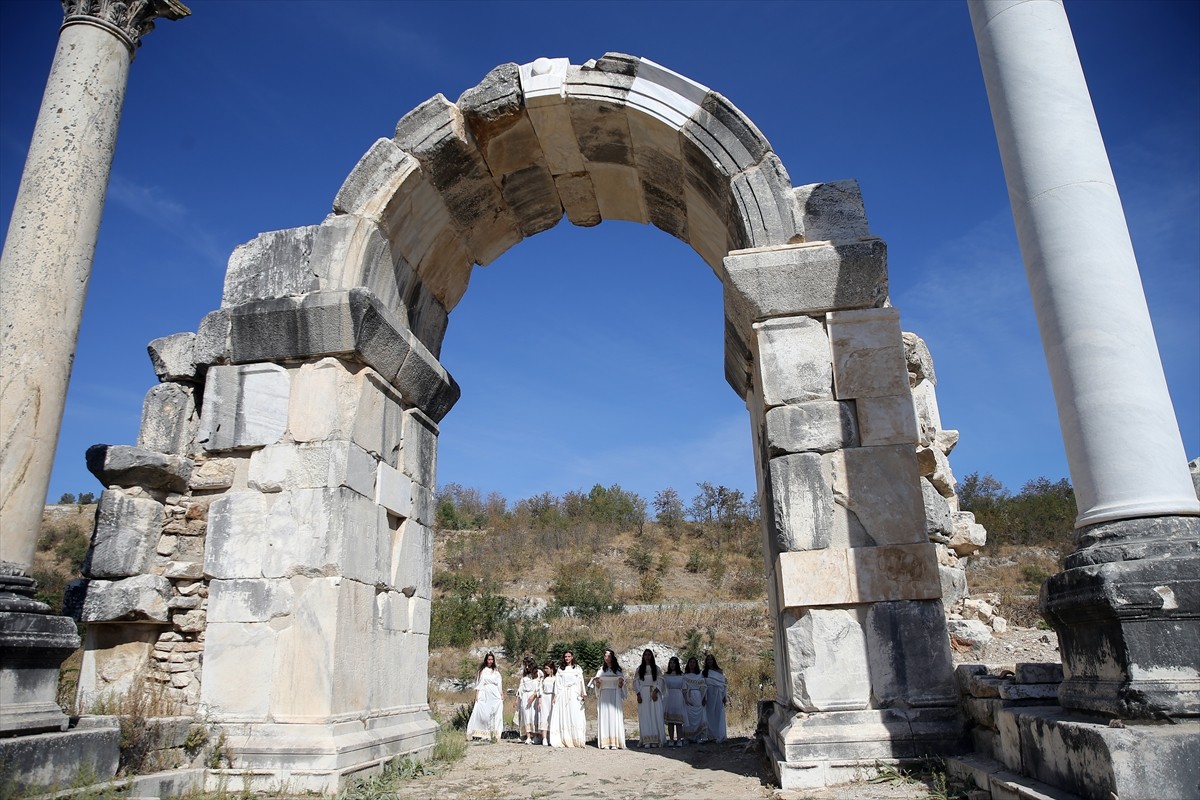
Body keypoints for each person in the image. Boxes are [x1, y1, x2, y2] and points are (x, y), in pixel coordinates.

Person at [590, 648, 627, 750]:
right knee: (605, 717)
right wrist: (597, 682)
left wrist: (621, 682)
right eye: (605, 656)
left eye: (609, 656)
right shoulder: (601, 670)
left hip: (614, 695)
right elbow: (597, 685)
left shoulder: (618, 670)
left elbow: (622, 684)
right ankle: (605, 742)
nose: (607, 658)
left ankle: (615, 742)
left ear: (612, 657)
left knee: (614, 717)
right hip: (604, 696)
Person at [465, 652, 504, 742]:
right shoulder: (482, 671)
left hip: (494, 693)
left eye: (492, 659)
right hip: (484, 693)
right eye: (489, 659)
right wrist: (477, 695)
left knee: (494, 714)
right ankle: (479, 732)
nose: (490, 661)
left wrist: (501, 694)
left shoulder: (496, 671)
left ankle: (495, 734)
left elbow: (499, 684)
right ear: (486, 660)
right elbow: (478, 683)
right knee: (483, 713)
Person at [554, 650, 587, 747]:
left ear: (572, 657)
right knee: (565, 715)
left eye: (569, 656)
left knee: (575, 714)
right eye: (565, 657)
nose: (567, 658)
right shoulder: (561, 669)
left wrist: (582, 693)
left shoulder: (577, 668)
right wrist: (556, 695)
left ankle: (576, 739)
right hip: (563, 693)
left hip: (574, 693)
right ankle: (566, 738)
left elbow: (580, 681)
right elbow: (558, 683)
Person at [633, 649, 665, 748]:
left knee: (655, 715)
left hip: (654, 694)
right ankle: (646, 740)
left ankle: (656, 740)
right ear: (643, 657)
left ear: (652, 656)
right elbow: (636, 682)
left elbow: (661, 681)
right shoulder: (639, 669)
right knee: (645, 716)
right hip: (643, 694)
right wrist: (638, 694)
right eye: (645, 655)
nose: (647, 657)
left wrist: (655, 692)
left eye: (649, 655)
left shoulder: (656, 669)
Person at [703, 653, 728, 743]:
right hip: (709, 694)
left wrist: (724, 696)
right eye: (708, 660)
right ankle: (711, 735)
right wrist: (703, 697)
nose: (709, 661)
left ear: (714, 661)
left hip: (718, 694)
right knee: (709, 714)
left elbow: (724, 685)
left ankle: (719, 734)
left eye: (711, 660)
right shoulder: (704, 672)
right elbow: (703, 685)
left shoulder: (719, 671)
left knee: (718, 713)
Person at [661, 656, 686, 747]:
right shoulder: (665, 675)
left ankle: (679, 739)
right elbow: (662, 687)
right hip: (669, 697)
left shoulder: (681, 675)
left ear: (677, 664)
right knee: (670, 721)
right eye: (671, 663)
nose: (672, 665)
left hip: (678, 697)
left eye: (674, 663)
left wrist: (686, 699)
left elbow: (684, 688)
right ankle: (671, 739)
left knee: (679, 721)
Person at [515, 657, 540, 744]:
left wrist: (534, 695)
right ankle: (528, 736)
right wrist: (517, 699)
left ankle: (535, 735)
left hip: (534, 697)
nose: (527, 667)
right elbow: (520, 688)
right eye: (525, 665)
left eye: (528, 665)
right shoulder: (525, 676)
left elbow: (540, 686)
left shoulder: (538, 673)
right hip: (525, 697)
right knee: (525, 716)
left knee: (533, 716)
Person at [682, 655, 706, 743]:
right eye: (690, 662)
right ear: (688, 664)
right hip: (689, 696)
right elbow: (684, 688)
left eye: (694, 662)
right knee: (688, 717)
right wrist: (686, 699)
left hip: (698, 697)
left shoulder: (700, 675)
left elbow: (704, 687)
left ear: (696, 664)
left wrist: (703, 698)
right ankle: (687, 737)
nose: (692, 664)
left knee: (698, 717)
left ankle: (698, 737)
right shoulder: (685, 676)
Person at [538, 659, 557, 746]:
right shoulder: (543, 679)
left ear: (551, 669)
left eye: (547, 668)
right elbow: (540, 690)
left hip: (552, 698)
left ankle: (551, 737)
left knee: (552, 717)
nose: (545, 670)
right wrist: (540, 700)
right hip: (545, 697)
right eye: (545, 668)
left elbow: (557, 689)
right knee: (544, 717)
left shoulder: (556, 678)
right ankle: (544, 738)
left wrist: (555, 697)